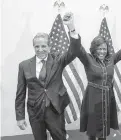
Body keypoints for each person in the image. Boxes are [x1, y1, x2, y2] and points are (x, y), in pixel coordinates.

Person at [69, 16, 121, 140]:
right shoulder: (88, 59)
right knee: (93, 130)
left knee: (104, 129)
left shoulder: (111, 59)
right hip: (93, 98)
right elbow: (77, 48)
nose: (102, 51)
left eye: (104, 49)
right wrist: (72, 28)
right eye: (99, 49)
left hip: (107, 98)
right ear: (94, 50)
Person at [15, 12, 78, 140]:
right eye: (37, 46)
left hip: (54, 109)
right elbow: (20, 93)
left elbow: (74, 51)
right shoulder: (24, 65)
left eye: (43, 46)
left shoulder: (58, 60)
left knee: (60, 137)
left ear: (49, 47)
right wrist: (20, 117)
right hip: (35, 112)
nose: (40, 49)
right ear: (33, 47)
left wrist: (71, 27)